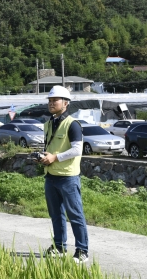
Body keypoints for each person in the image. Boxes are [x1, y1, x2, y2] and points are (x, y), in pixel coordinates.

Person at [39, 85, 89, 263]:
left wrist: (55, 157)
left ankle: (82, 251)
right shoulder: (48, 124)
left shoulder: (73, 124)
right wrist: (45, 157)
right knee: (56, 215)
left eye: (55, 100)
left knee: (75, 214)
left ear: (66, 103)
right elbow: (51, 148)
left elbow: (77, 149)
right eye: (50, 101)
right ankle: (59, 247)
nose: (51, 103)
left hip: (68, 177)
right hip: (51, 176)